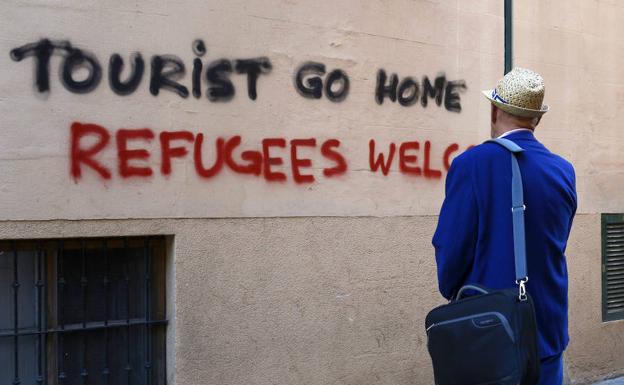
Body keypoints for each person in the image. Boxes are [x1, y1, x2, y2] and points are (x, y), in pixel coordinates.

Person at [432, 67, 577, 385]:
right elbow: (556, 242)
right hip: (547, 333)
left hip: (489, 334)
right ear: (537, 119)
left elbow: (450, 246)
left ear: (494, 110)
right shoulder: (563, 171)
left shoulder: (470, 165)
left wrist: (455, 291)